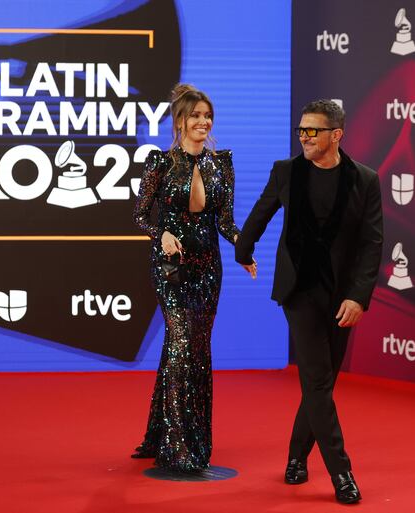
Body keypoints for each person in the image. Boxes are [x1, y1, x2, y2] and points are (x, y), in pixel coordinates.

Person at [235, 99, 383, 503]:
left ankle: (296, 457)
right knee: (318, 381)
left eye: (312, 130)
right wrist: (243, 250)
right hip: (298, 291)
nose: (304, 136)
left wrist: (358, 297)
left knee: (322, 384)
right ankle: (342, 474)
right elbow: (261, 214)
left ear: (336, 135)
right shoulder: (287, 172)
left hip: (341, 296)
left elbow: (372, 244)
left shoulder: (365, 180)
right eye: (301, 129)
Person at [131, 83, 255, 471]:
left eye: (207, 115)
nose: (202, 122)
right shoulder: (160, 163)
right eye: (194, 116)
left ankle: (164, 433)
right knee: (183, 346)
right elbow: (139, 215)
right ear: (179, 121)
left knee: (192, 351)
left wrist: (243, 248)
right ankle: (179, 448)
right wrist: (161, 233)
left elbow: (225, 222)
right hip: (171, 268)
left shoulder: (223, 163)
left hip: (208, 268)